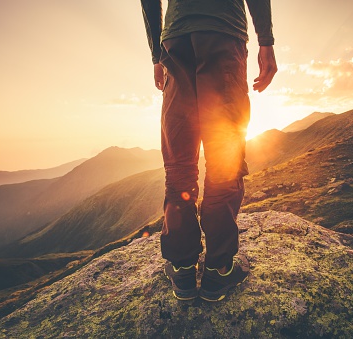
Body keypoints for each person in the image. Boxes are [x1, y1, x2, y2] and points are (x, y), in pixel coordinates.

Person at [140, 0, 277, 301]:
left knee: (179, 161)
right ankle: (218, 270)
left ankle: (183, 267)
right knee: (224, 157)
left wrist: (156, 55)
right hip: (223, 30)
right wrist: (265, 41)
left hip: (176, 39)